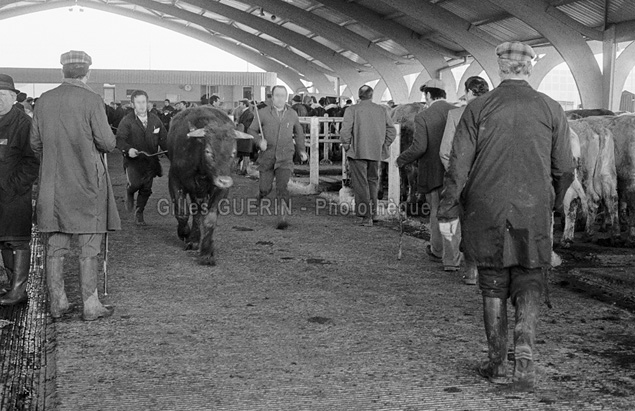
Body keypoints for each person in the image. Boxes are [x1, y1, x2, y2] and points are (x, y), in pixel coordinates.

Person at [438, 42, 574, 391]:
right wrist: (552, 203)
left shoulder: (478, 108)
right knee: (530, 275)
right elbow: (565, 169)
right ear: (529, 68)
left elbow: (458, 166)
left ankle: (497, 362)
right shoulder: (551, 108)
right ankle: (525, 355)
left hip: (486, 207)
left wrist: (449, 209)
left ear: (500, 68)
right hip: (533, 209)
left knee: (493, 281)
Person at [30, 50, 121, 321]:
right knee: (89, 245)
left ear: (62, 72)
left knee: (55, 245)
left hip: (53, 187)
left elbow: (35, 144)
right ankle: (91, 305)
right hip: (87, 185)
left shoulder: (44, 100)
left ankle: (58, 303)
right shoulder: (92, 100)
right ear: (87, 73)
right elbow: (107, 143)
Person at [396, 79, 455, 267]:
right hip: (457, 171)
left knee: (437, 211)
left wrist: (402, 159)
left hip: (434, 172)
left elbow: (419, 147)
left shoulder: (424, 116)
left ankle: (438, 250)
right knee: (456, 213)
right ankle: (455, 255)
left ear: (428, 95)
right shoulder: (459, 112)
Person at [439, 76, 490, 285]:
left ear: (468, 92)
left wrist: (455, 174)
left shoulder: (455, 114)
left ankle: (461, 265)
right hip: (490, 177)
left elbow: (445, 151)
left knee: (459, 218)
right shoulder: (496, 114)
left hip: (462, 175)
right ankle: (485, 267)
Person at [0, 74, 39, 305]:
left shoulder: (23, 124)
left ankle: (19, 289)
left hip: (15, 194)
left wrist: (13, 186)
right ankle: (10, 284)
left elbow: (32, 160)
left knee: (17, 240)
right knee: (3, 239)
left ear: (14, 98)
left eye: (3, 96)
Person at [248, 85, 307, 229]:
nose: (280, 99)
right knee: (265, 187)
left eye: (283, 96)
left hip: (286, 156)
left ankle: (282, 217)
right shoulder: (262, 113)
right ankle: (261, 195)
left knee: (282, 187)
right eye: (277, 95)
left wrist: (301, 150)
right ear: (272, 97)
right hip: (267, 156)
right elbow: (251, 130)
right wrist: (258, 141)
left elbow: (299, 133)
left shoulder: (292, 114)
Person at [340, 85, 396, 226]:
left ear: (359, 96)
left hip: (357, 151)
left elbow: (345, 130)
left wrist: (347, 146)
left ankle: (366, 216)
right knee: (373, 181)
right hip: (376, 151)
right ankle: (374, 212)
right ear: (372, 95)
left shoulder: (351, 110)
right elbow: (392, 131)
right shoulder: (382, 110)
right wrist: (384, 145)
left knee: (361, 183)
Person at [116, 90, 168, 226]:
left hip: (150, 161)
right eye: (138, 102)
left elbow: (164, 140)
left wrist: (173, 157)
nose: (141, 105)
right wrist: (128, 150)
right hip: (133, 161)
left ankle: (139, 212)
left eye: (143, 102)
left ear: (147, 103)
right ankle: (130, 191)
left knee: (146, 188)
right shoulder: (127, 121)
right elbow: (120, 139)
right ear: (133, 104)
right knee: (135, 184)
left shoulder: (155, 120)